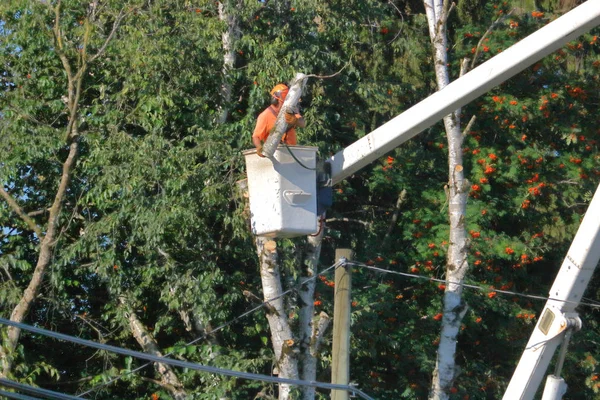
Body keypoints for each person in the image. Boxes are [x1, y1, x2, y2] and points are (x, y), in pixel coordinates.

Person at [252, 84, 305, 157]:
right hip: (276, 155)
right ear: (275, 100)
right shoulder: (265, 115)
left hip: (292, 153)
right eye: (283, 102)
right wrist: (259, 147)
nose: (285, 104)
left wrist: (295, 120)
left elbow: (303, 123)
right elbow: (256, 136)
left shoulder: (288, 110)